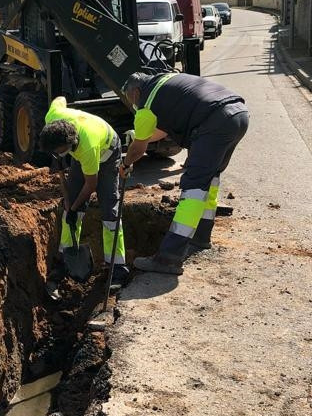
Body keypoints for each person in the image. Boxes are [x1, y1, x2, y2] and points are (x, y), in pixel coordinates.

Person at [120, 71, 249, 275]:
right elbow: (162, 130)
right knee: (210, 178)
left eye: (129, 99)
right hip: (238, 114)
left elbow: (138, 150)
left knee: (193, 188)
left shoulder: (146, 104)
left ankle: (169, 257)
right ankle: (201, 236)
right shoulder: (164, 82)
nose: (132, 103)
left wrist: (126, 163)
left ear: (136, 92)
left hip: (214, 122)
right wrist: (139, 135)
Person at [39, 97, 130, 289]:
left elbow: (91, 185)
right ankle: (65, 259)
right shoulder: (52, 116)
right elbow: (60, 99)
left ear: (70, 144)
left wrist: (74, 207)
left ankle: (118, 267)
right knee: (70, 208)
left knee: (109, 208)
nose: (57, 154)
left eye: (59, 151)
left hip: (107, 152)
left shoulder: (88, 147)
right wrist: (70, 205)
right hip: (81, 151)